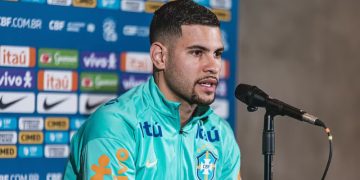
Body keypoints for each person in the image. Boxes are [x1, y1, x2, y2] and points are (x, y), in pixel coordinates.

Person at [64, 0, 241, 179]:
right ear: (160, 57)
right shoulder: (116, 125)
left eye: (217, 54)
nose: (213, 66)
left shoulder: (220, 132)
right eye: (197, 52)